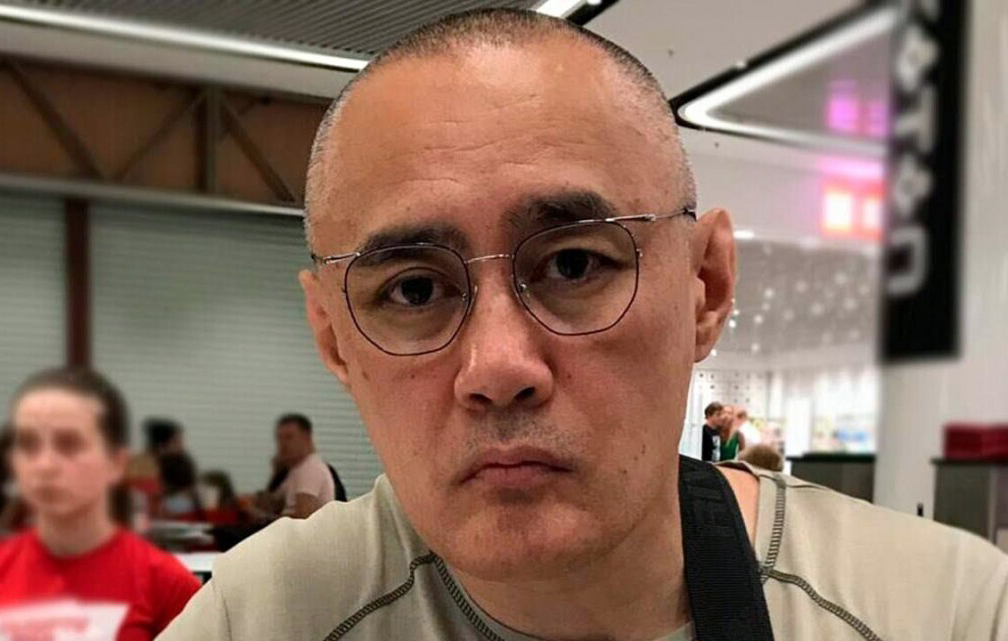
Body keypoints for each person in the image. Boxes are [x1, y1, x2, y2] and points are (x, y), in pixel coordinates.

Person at [159, 9, 1008, 641]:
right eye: (415, 289)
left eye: (573, 265)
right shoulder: (264, 616)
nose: (498, 366)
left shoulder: (944, 610)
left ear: (705, 287)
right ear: (332, 338)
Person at [0, 367, 200, 641]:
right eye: (28, 444)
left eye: (69, 444)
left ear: (116, 463)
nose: (45, 465)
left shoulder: (167, 584)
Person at [267, 414, 335, 519]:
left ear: (306, 438)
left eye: (289, 437)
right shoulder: (298, 469)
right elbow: (274, 504)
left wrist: (268, 519)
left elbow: (303, 516)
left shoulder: (311, 468)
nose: (283, 444)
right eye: (279, 439)